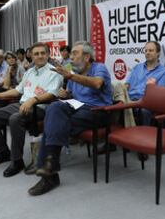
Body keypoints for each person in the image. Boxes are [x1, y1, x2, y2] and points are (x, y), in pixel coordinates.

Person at [28, 41, 112, 196]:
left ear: (87, 57)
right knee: (54, 108)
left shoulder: (99, 68)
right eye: (71, 54)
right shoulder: (74, 72)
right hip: (77, 108)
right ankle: (50, 165)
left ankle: (49, 171)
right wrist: (66, 94)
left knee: (53, 124)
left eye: (75, 54)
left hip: (99, 111)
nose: (71, 57)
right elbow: (73, 96)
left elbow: (97, 84)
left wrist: (71, 76)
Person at [0, 42, 63, 178]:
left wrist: (33, 100)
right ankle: (3, 152)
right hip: (21, 104)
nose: (40, 56)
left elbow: (52, 94)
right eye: (36, 54)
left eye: (43, 53)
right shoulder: (29, 72)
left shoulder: (54, 72)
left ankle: (17, 160)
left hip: (40, 108)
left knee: (15, 118)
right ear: (31, 56)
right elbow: (18, 90)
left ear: (48, 55)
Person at [126, 41, 165, 125]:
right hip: (129, 101)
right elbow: (127, 85)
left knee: (143, 111)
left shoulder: (164, 72)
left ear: (158, 53)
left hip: (145, 103)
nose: (147, 53)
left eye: (150, 50)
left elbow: (159, 95)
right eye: (146, 51)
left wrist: (151, 88)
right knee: (116, 105)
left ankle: (144, 136)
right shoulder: (136, 67)